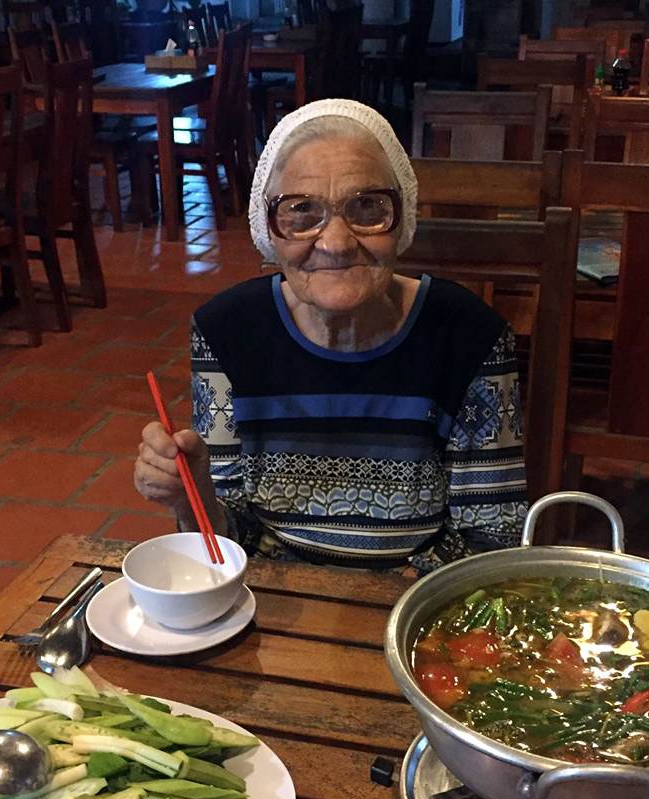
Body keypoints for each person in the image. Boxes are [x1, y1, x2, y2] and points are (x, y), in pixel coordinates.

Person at [133, 99, 526, 574]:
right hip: (270, 600)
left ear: (402, 220)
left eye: (368, 208)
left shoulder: (472, 336)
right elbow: (231, 545)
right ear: (268, 232)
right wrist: (191, 498)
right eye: (301, 212)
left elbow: (491, 541)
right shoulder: (226, 330)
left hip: (410, 605)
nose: (336, 242)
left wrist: (371, 604)